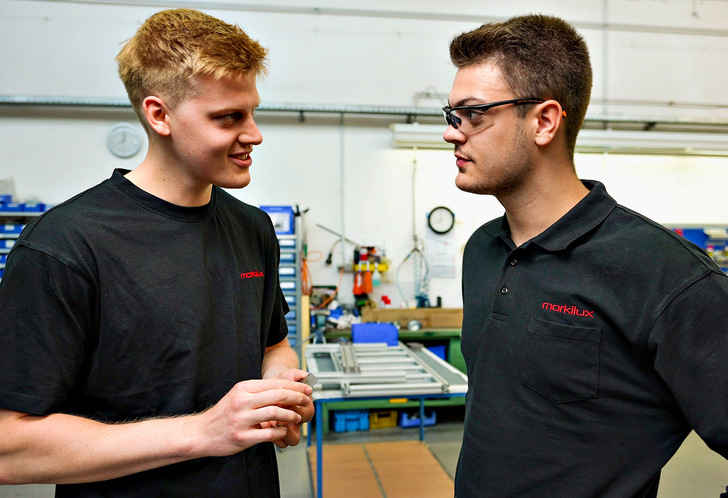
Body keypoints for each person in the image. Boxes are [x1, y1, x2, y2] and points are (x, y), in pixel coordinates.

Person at [0, 8, 314, 497]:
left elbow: (273, 344)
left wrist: (281, 390)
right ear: (159, 114)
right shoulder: (64, 245)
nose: (253, 134)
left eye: (252, 112)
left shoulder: (252, 227)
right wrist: (204, 432)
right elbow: (9, 444)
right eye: (228, 117)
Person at [443, 14, 728, 497]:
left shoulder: (666, 276)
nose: (453, 133)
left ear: (545, 121)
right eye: (451, 116)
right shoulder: (482, 251)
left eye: (474, 115)